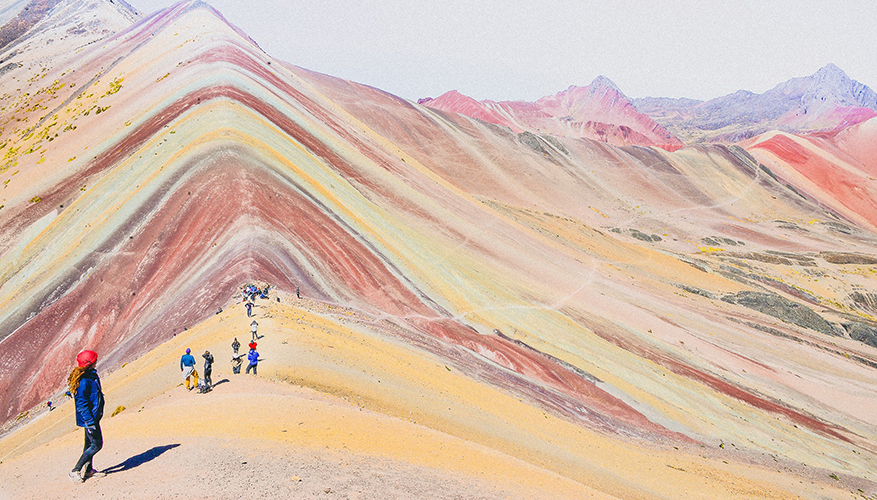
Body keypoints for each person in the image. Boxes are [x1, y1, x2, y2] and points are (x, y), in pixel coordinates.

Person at [68, 350, 106, 483]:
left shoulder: (90, 375)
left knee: (89, 445)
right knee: (96, 445)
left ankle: (89, 470)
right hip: (89, 419)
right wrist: (90, 422)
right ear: (90, 363)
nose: (97, 361)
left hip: (93, 417)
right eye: (95, 360)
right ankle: (75, 470)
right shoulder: (84, 381)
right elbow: (82, 404)